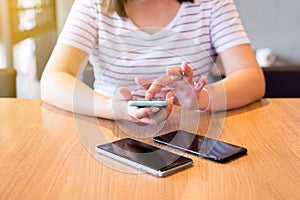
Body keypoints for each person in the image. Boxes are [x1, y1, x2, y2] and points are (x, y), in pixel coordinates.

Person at [41, 0, 265, 125]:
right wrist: (110, 107)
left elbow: (251, 77)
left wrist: (200, 98)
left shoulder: (211, 3)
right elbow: (53, 79)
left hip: (191, 131)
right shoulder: (93, 5)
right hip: (109, 128)